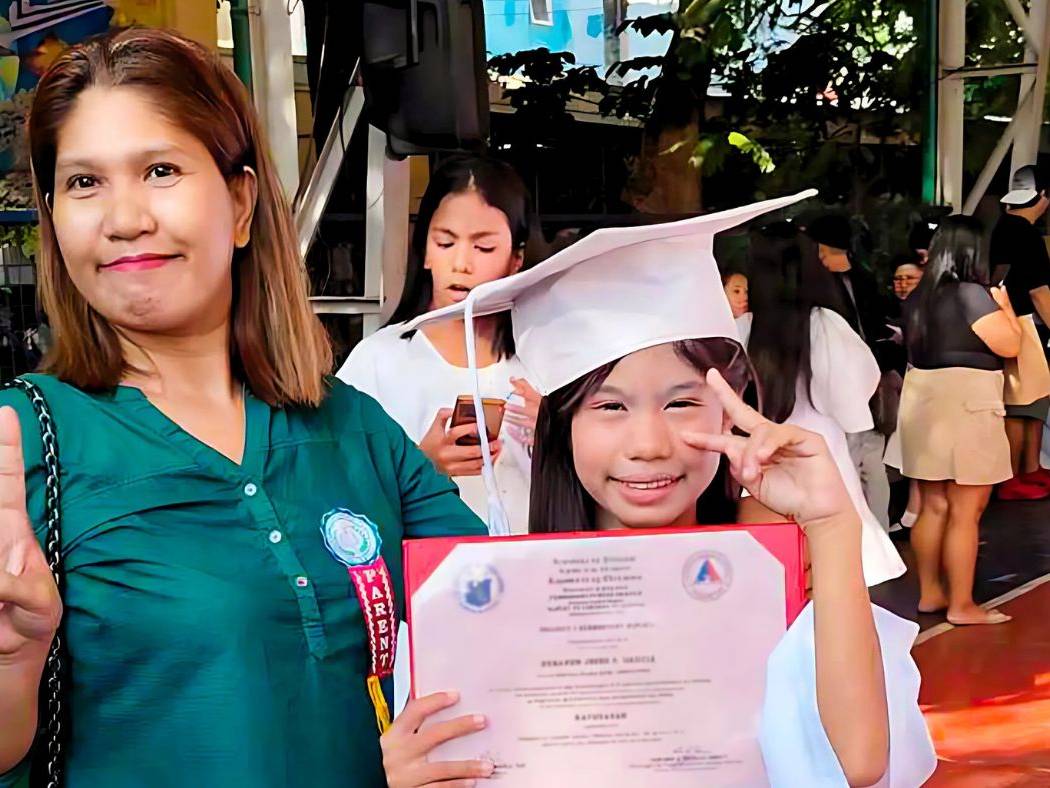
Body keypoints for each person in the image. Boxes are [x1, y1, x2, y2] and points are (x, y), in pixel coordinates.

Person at [0, 29, 486, 788]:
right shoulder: (19, 442)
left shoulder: (356, 429)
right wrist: (14, 662)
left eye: (159, 170)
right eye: (84, 183)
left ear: (240, 202)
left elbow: (510, 627)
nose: (123, 218)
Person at [383, 193, 937, 787]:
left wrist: (832, 529)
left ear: (729, 409)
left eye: (681, 402)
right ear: (560, 426)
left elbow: (855, 765)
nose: (648, 443)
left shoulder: (774, 590)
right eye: (610, 406)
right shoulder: (486, 609)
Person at [338, 156, 540, 535]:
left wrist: (564, 434)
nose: (461, 264)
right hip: (424, 578)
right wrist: (422, 465)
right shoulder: (379, 360)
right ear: (425, 250)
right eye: (445, 242)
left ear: (517, 258)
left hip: (536, 573)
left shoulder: (543, 359)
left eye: (484, 249)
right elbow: (333, 489)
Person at [739, 223, 905, 586]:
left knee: (771, 578)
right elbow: (854, 392)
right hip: (822, 457)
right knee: (836, 576)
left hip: (757, 462)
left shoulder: (741, 329)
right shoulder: (823, 324)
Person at [899, 216, 1021, 625]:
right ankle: (962, 604)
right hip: (966, 401)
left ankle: (931, 593)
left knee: (932, 505)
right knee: (966, 510)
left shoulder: (919, 297)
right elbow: (1009, 344)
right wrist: (1004, 307)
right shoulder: (972, 294)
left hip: (922, 400)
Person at [804, 213, 896, 530]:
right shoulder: (865, 277)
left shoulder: (819, 288)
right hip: (873, 376)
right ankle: (879, 532)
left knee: (851, 460)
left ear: (822, 247)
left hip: (843, 380)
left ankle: (860, 533)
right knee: (872, 460)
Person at [990, 164, 1050, 499]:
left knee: (1034, 399)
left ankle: (1028, 469)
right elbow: (1039, 291)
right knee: (1021, 403)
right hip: (1022, 323)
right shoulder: (1025, 233)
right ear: (1043, 195)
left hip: (1011, 321)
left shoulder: (1003, 227)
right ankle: (1013, 476)